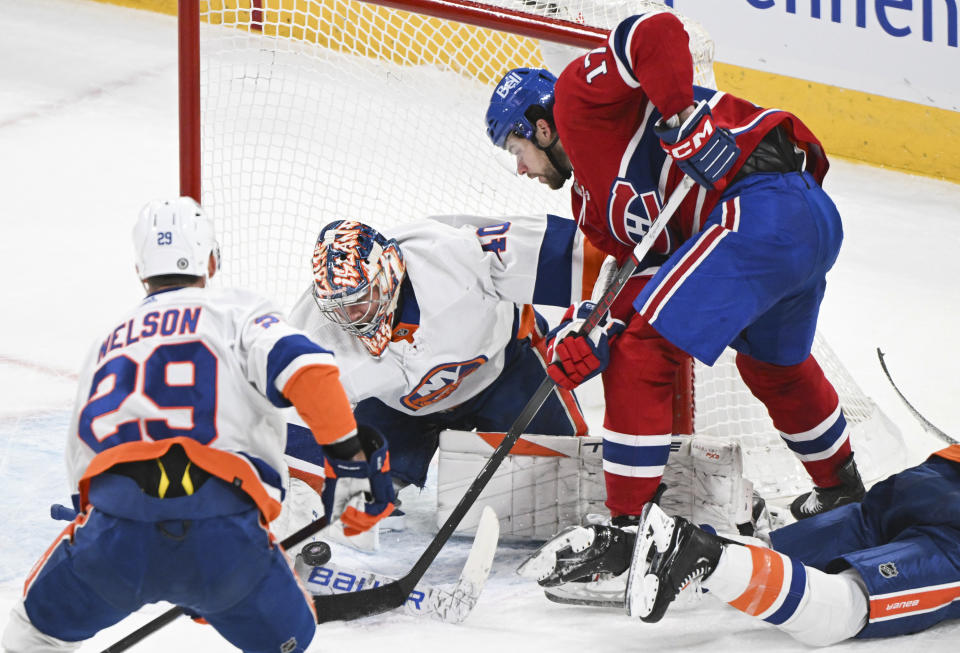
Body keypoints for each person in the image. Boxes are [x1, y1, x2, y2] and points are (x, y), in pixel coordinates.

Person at [485, 8, 864, 524]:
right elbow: (642, 273)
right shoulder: (592, 208)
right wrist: (592, 322)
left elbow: (655, 31)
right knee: (773, 366)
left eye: (517, 148)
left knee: (643, 350)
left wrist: (683, 119)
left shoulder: (579, 100)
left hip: (762, 202)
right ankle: (842, 489)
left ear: (543, 127)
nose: (520, 168)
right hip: (789, 229)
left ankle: (627, 528)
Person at [1, 197, 374, 653]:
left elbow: (82, 457)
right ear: (212, 259)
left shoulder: (106, 341)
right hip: (225, 538)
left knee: (34, 632)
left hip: (116, 533)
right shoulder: (237, 313)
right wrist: (353, 468)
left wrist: (101, 520)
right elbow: (310, 370)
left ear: (140, 270)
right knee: (293, 638)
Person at [283, 215, 601, 543]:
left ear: (389, 270)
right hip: (403, 407)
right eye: (341, 308)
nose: (353, 317)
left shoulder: (451, 257)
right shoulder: (315, 334)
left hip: (505, 371)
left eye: (362, 299)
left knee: (573, 473)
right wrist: (298, 509)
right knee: (348, 495)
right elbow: (292, 421)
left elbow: (585, 255)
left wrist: (597, 317)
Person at [628, 441, 960, 646]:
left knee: (771, 556)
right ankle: (703, 556)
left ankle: (624, 549)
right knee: (848, 605)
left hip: (931, 476)